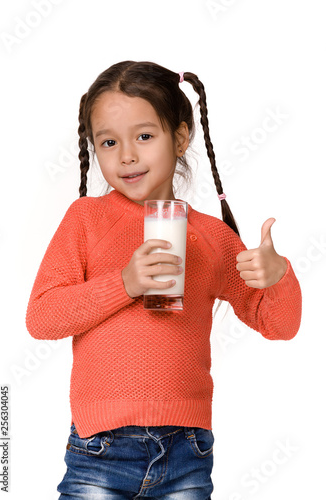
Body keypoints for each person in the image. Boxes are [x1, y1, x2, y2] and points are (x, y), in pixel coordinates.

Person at [26, 60, 302, 499]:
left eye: (144, 136)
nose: (127, 155)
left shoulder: (211, 236)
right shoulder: (87, 219)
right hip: (100, 450)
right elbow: (42, 318)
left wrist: (280, 275)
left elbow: (279, 325)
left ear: (180, 136)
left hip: (186, 452)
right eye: (109, 142)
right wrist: (125, 283)